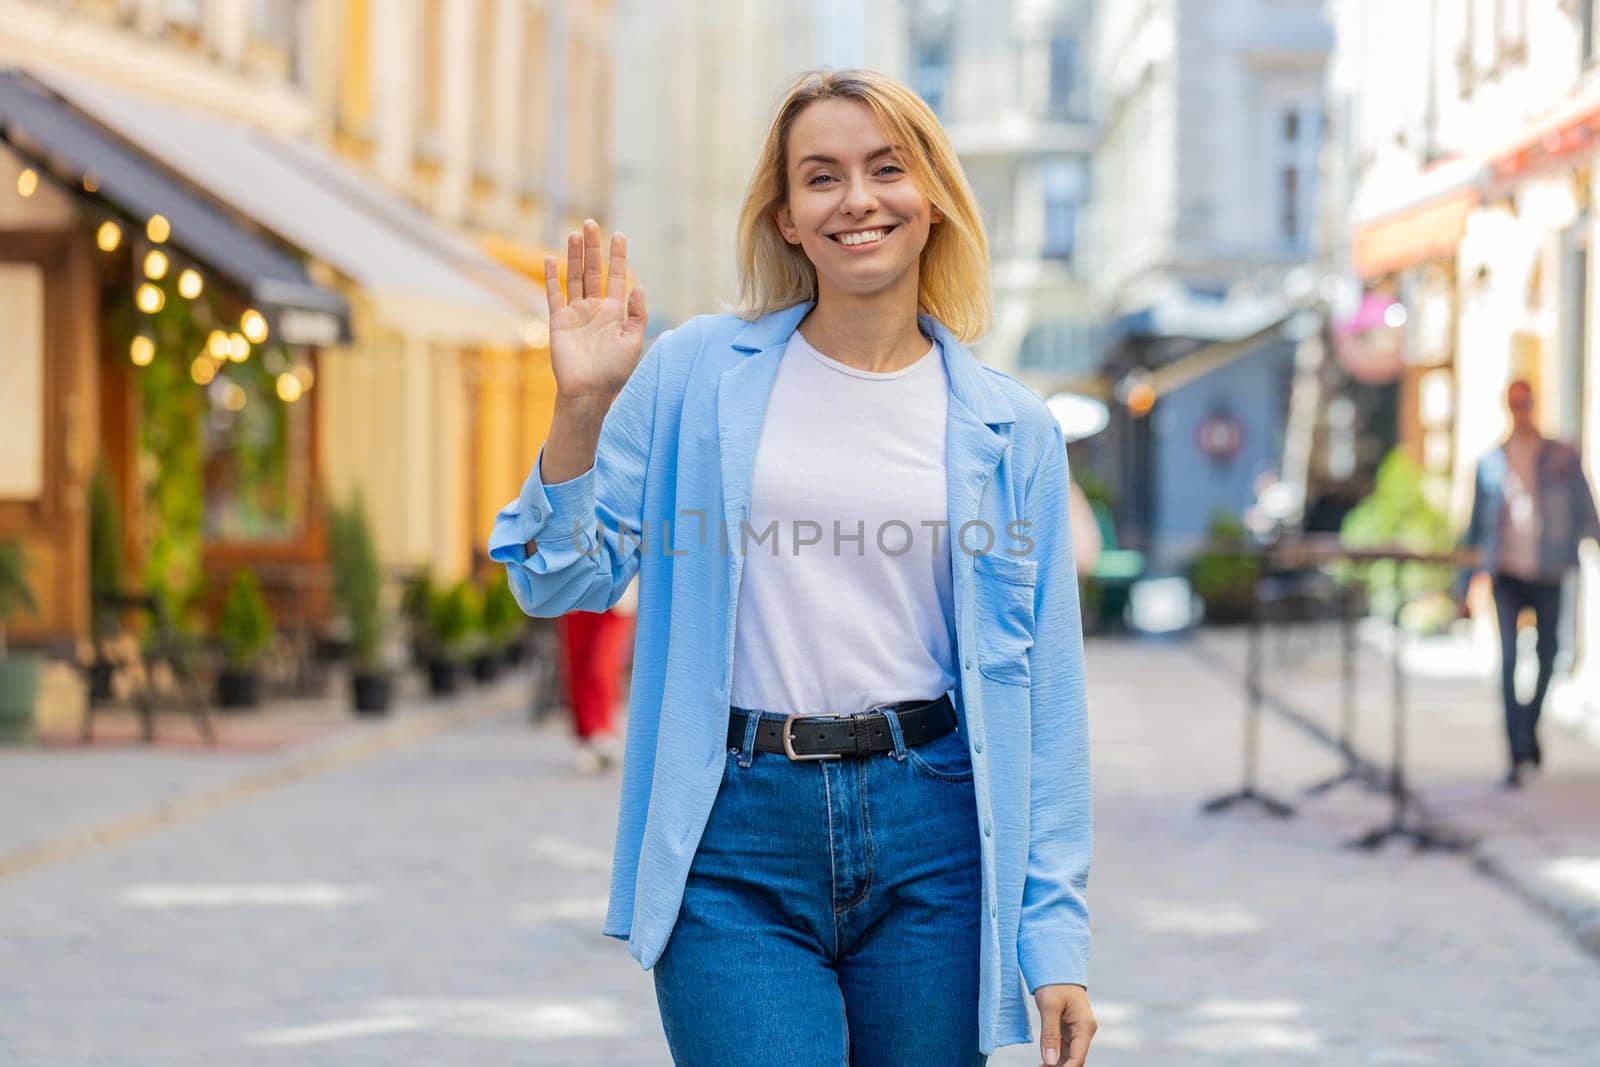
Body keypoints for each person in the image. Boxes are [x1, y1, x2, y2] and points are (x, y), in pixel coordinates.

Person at [489, 69, 1095, 1066]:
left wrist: (1055, 939)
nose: (856, 199)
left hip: (935, 836)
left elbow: (1049, 704)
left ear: (932, 194)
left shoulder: (1009, 429)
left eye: (885, 169)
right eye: (821, 177)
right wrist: (580, 412)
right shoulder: (695, 375)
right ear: (785, 218)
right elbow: (557, 581)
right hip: (735, 838)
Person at [1460, 380, 1600, 787]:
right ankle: (1516, 749)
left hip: (1549, 568)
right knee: (1507, 661)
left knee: (1549, 654)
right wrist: (1464, 585)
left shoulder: (1560, 456)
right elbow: (1475, 528)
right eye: (1514, 403)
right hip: (1506, 571)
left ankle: (1527, 725)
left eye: (1526, 403)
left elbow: (1584, 506)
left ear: (1534, 405)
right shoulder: (1492, 462)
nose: (1521, 410)